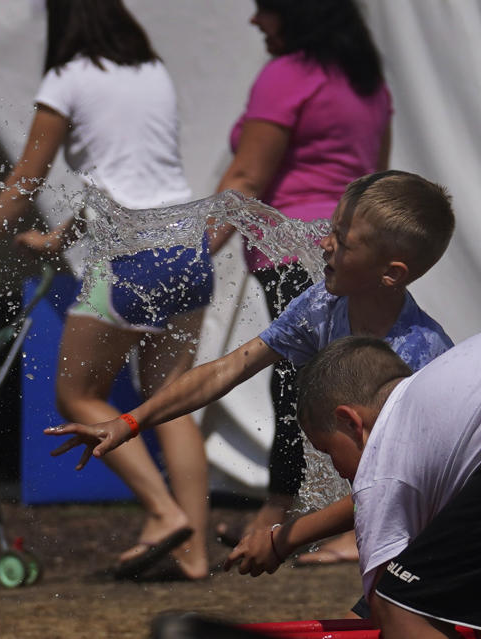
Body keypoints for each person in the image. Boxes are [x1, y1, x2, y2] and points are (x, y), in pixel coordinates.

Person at [46, 170, 455, 581]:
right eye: (332, 229)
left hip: (450, 526)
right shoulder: (323, 305)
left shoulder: (415, 359)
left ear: (392, 273)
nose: (324, 245)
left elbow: (388, 486)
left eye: (343, 242)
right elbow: (229, 368)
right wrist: (130, 421)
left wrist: (284, 539)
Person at [0, 0, 214, 580]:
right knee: (171, 404)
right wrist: (61, 237)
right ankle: (193, 557)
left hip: (130, 260)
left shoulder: (69, 78)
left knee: (77, 396)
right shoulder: (152, 71)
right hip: (188, 249)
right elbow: (132, 177)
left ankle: (164, 514)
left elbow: (25, 179)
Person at [208, 0, 392, 562]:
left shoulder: (287, 75)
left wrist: (192, 257)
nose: (255, 20)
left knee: (297, 385)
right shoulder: (367, 83)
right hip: (354, 250)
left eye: (266, 8)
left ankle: (283, 516)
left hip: (293, 253)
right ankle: (349, 514)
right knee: (352, 383)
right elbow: (374, 178)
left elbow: (246, 176)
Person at [239, 335, 481, 638]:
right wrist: (285, 539)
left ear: (351, 422)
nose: (337, 470)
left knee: (402, 609)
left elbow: (383, 610)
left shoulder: (385, 452)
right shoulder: (432, 397)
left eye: (327, 450)